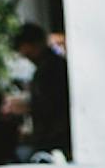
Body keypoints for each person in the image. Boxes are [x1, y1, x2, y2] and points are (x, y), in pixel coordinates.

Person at [9, 22, 72, 160]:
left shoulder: (50, 68)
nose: (23, 54)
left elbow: (50, 105)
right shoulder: (50, 66)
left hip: (55, 139)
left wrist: (27, 107)